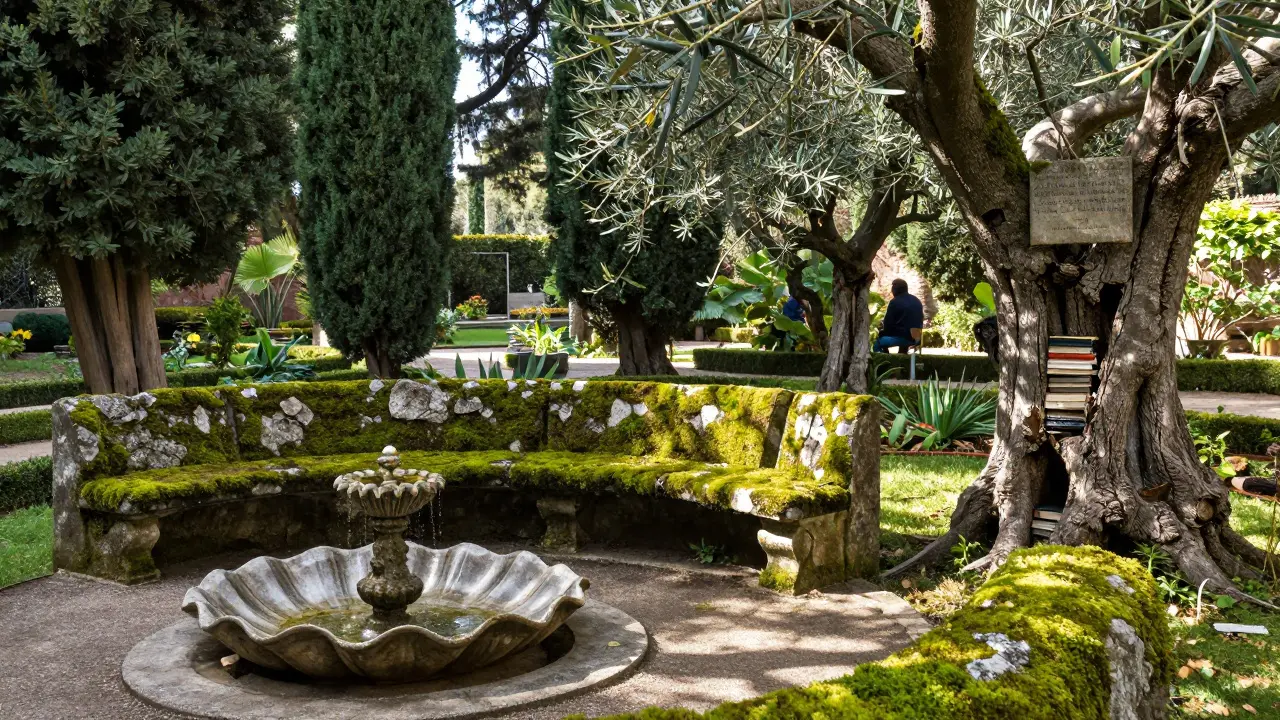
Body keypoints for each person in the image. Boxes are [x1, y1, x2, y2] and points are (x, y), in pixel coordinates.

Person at [874, 279, 924, 353]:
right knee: (903, 336)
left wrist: (881, 332)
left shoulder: (895, 302)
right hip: (916, 338)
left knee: (876, 343)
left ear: (894, 290)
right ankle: (901, 360)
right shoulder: (916, 300)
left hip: (902, 338)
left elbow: (888, 324)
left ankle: (885, 361)